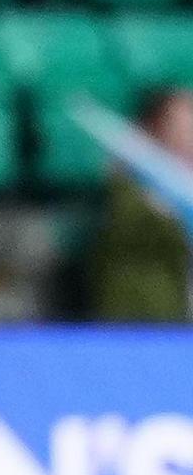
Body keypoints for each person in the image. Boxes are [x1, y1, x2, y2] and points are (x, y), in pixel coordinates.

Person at [87, 87, 193, 323]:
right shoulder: (127, 180)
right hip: (139, 313)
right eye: (182, 121)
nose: (190, 132)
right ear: (156, 126)